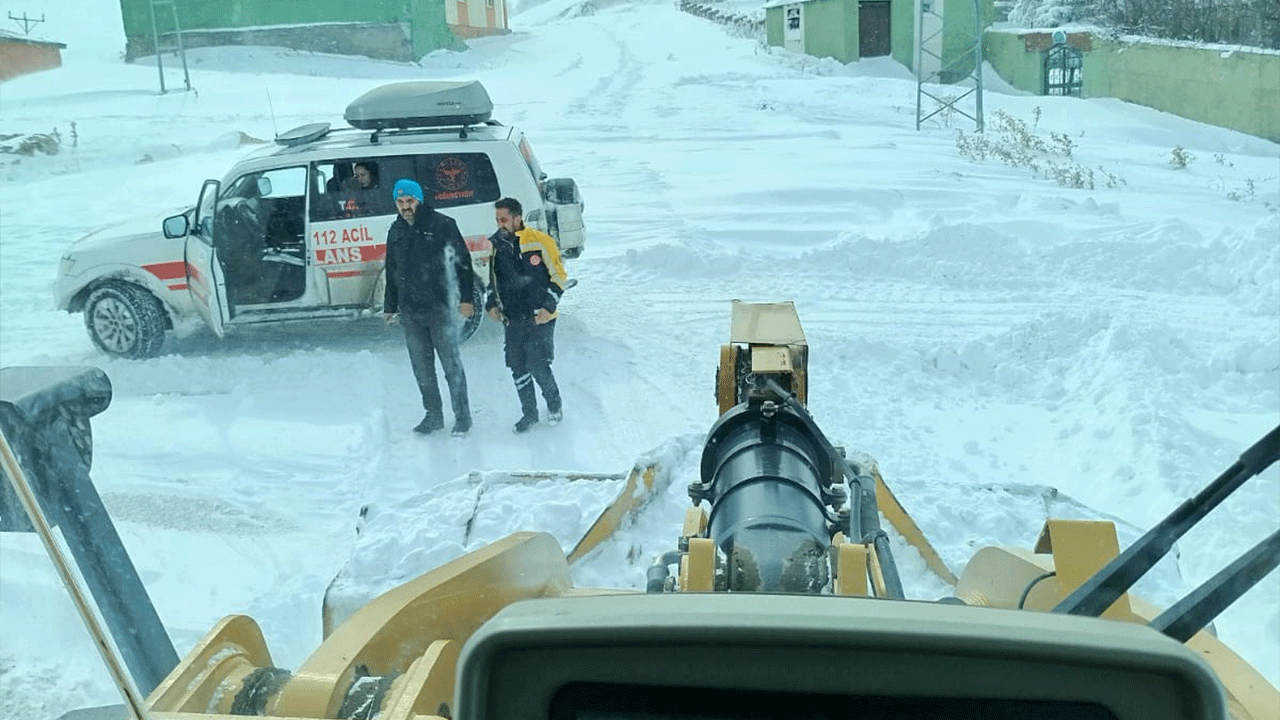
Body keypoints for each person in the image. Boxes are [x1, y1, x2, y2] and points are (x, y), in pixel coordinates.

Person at [383, 179, 475, 436]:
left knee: (451, 365)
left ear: (419, 200)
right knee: (422, 368)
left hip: (440, 308)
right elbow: (392, 271)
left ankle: (462, 417)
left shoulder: (442, 225)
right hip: (410, 312)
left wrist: (466, 300)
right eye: (400, 202)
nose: (405, 207)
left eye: (410, 201)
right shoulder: (395, 230)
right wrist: (389, 306)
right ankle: (433, 415)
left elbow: (463, 265)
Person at [485, 197, 568, 433]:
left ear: (517, 218)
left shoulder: (540, 241)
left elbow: (559, 275)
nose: (500, 224)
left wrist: (548, 306)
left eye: (504, 219)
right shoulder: (497, 246)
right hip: (512, 318)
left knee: (537, 364)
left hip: (539, 316)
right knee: (518, 366)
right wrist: (491, 303)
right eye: (497, 220)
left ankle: (554, 405)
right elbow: (492, 280)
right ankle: (529, 414)